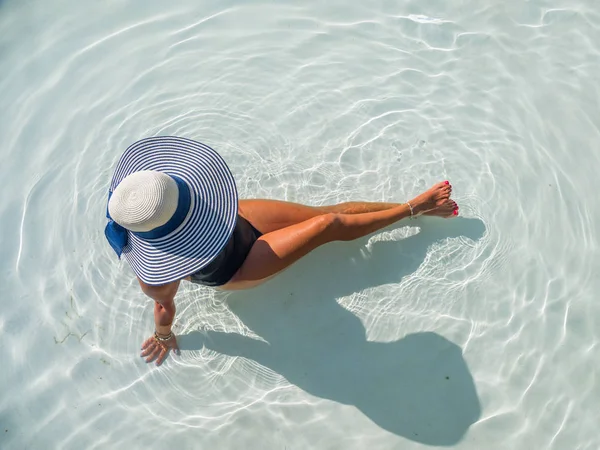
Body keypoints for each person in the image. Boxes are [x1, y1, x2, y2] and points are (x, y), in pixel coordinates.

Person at [105, 136, 459, 365]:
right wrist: (164, 336)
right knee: (328, 226)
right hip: (238, 267)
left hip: (235, 219)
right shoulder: (154, 274)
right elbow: (163, 304)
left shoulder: (155, 195)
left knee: (327, 211)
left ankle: (406, 208)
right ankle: (413, 208)